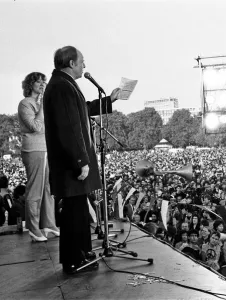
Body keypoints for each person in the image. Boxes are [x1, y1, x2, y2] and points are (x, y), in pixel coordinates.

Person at [43, 46, 120, 274]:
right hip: (71, 164)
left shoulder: (62, 85)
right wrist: (80, 160)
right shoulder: (61, 87)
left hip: (69, 163)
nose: (84, 66)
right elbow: (69, 127)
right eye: (82, 62)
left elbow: (81, 111)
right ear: (70, 63)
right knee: (74, 214)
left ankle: (80, 256)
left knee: (76, 212)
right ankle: (75, 260)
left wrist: (109, 101)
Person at [18, 72, 59, 242]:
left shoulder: (41, 103)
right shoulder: (25, 104)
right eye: (38, 81)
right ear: (30, 84)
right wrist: (42, 106)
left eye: (44, 81)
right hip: (34, 149)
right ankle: (34, 228)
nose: (42, 84)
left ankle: (49, 224)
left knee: (48, 189)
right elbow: (35, 127)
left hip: (46, 148)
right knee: (35, 190)